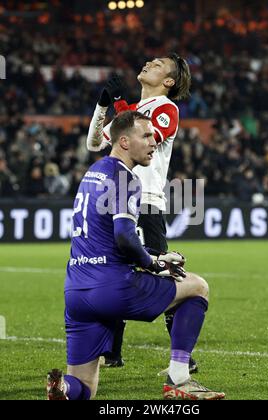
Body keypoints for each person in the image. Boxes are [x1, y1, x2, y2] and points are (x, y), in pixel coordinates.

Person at [47, 111, 225, 401]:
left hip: (77, 291)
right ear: (125, 142)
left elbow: (108, 237)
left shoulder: (92, 172)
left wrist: (152, 255)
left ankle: (62, 389)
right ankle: (180, 381)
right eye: (146, 135)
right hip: (112, 287)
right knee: (197, 287)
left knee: (84, 388)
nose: (154, 141)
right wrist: (153, 263)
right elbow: (124, 236)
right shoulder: (125, 177)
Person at [86, 53, 198, 375]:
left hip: (147, 203)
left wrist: (120, 107)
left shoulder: (166, 109)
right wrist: (104, 104)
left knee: (165, 274)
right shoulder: (132, 112)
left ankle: (183, 359)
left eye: (159, 64)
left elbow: (141, 138)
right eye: (150, 60)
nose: (149, 62)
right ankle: (111, 353)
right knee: (110, 273)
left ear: (169, 81)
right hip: (114, 202)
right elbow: (95, 143)